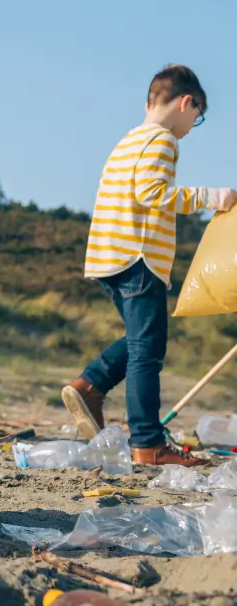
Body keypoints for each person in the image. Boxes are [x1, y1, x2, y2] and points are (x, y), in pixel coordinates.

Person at [62, 65, 236, 466]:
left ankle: (90, 386)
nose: (193, 125)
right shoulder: (163, 140)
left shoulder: (129, 140)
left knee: (144, 339)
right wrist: (214, 197)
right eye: (198, 116)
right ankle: (148, 443)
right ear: (185, 102)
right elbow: (153, 193)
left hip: (109, 255)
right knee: (148, 351)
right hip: (138, 257)